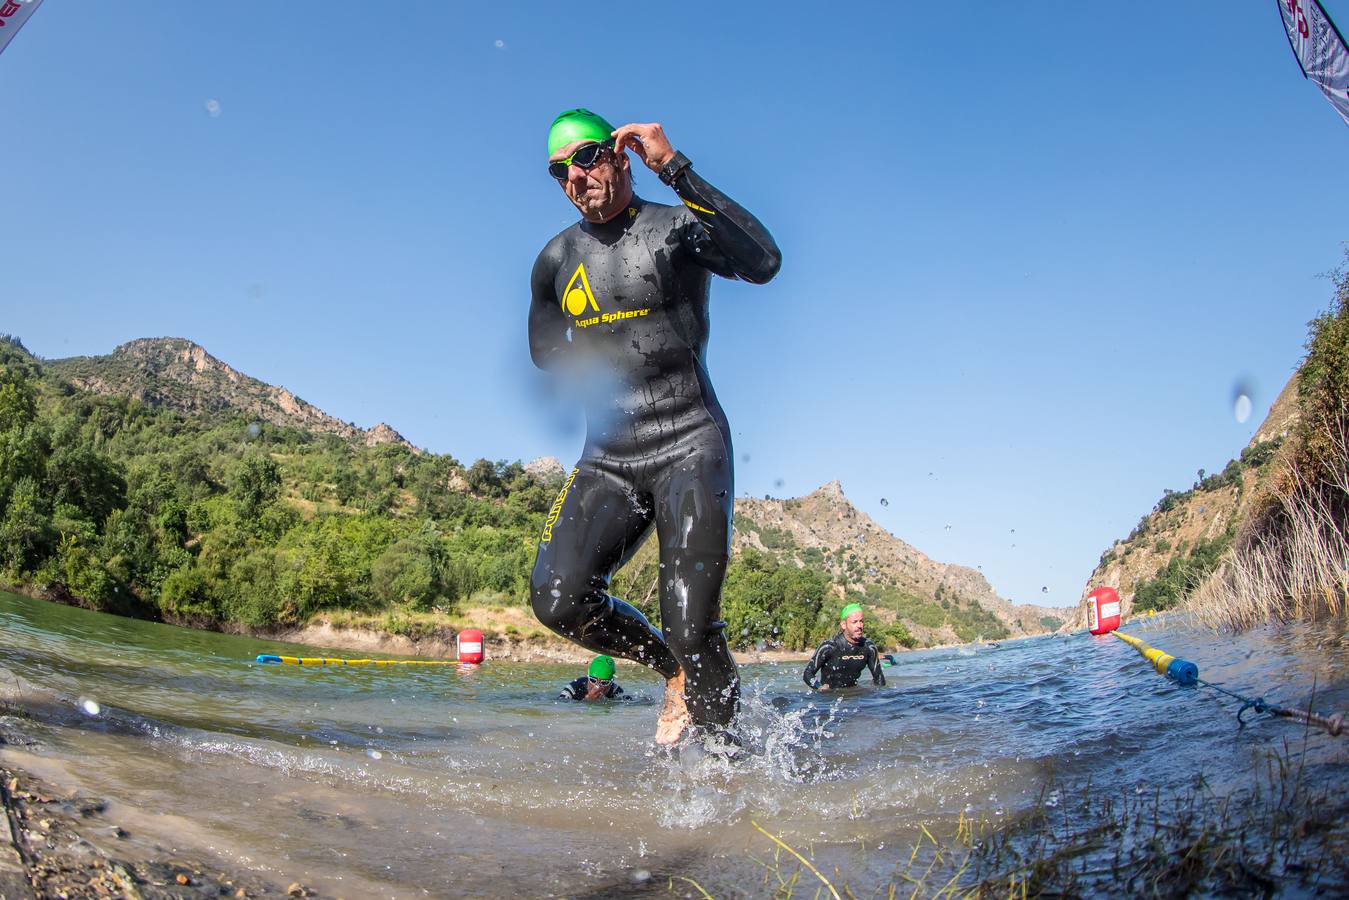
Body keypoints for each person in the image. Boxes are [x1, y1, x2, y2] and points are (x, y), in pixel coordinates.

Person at [528, 108, 781, 745]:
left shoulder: (672, 231)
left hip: (689, 442)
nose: (574, 178)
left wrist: (675, 168)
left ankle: (730, 766)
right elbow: (543, 349)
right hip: (607, 457)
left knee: (692, 625)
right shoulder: (556, 260)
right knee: (558, 599)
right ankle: (671, 673)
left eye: (585, 158)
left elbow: (763, 261)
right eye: (559, 170)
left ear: (620, 153)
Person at [803, 604, 887, 691]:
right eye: (854, 622)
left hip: (854, 696)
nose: (859, 625)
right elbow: (808, 674)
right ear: (843, 625)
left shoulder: (869, 647)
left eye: (861, 621)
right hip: (828, 698)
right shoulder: (829, 647)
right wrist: (819, 687)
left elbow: (879, 678)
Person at [559, 655, 626, 701]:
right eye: (593, 680)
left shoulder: (616, 691)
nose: (597, 686)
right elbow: (561, 707)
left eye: (604, 682)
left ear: (612, 681)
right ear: (588, 676)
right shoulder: (573, 688)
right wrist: (588, 700)